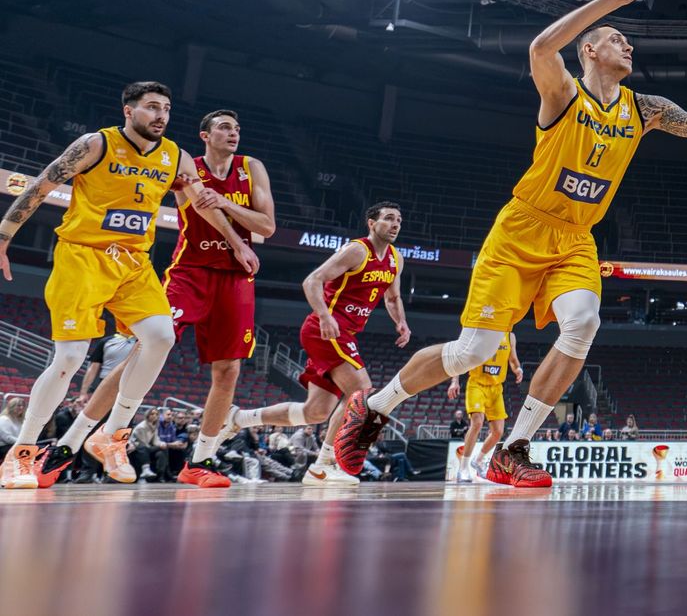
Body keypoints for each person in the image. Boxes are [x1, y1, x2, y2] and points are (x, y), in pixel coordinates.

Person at [330, 0, 687, 488]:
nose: (628, 46)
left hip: (573, 241)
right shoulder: (563, 93)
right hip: (521, 231)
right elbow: (540, 48)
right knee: (471, 351)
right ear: (590, 51)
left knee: (585, 322)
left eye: (627, 41)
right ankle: (375, 409)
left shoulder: (644, 109)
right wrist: (611, 1)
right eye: (617, 39)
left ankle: (513, 449)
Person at [0, 81, 258, 490]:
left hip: (134, 263)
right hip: (83, 257)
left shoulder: (175, 156)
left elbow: (204, 205)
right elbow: (41, 186)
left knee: (160, 336)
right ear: (128, 110)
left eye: (167, 109)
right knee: (69, 358)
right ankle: (22, 452)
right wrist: (3, 237)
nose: (160, 116)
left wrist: (237, 244)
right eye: (152, 107)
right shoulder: (95, 145)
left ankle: (112, 435)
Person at [80, 109, 277, 487]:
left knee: (228, 370)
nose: (233, 133)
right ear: (205, 135)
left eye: (237, 127)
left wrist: (223, 202)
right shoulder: (185, 163)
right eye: (224, 127)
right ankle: (84, 432)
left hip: (236, 277)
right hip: (190, 271)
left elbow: (266, 225)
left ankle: (201, 461)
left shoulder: (252, 167)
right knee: (144, 350)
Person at [223, 203, 409, 485]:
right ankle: (324, 464)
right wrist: (324, 315)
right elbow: (312, 280)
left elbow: (392, 298)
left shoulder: (396, 258)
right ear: (371, 223)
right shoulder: (357, 250)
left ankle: (239, 418)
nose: (395, 224)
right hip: (327, 328)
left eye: (398, 220)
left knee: (316, 411)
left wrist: (401, 322)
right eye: (388, 219)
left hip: (346, 333)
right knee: (361, 390)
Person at [446, 331, 522, 482]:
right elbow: (461, 358)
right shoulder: (481, 330)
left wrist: (518, 369)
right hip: (477, 384)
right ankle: (463, 468)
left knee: (498, 432)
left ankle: (478, 460)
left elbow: (513, 360)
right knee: (477, 422)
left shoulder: (510, 336)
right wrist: (454, 381)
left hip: (496, 388)